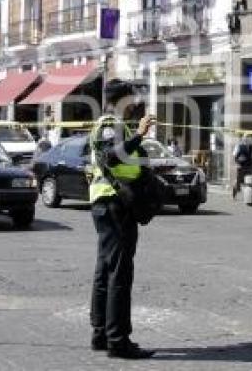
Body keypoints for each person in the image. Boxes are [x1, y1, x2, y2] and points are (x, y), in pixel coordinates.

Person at [88, 80, 157, 360]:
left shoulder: (116, 124)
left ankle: (101, 333)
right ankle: (118, 339)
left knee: (106, 270)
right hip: (114, 203)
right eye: (130, 98)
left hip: (112, 202)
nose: (134, 103)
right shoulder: (109, 124)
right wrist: (139, 135)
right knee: (119, 273)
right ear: (120, 100)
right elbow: (110, 156)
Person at [233, 134, 252, 199]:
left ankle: (248, 195)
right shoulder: (239, 145)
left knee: (248, 180)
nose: (248, 140)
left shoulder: (251, 146)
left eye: (249, 139)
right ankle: (234, 193)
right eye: (246, 138)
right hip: (240, 165)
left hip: (248, 165)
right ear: (243, 139)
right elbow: (235, 155)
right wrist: (238, 162)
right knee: (238, 180)